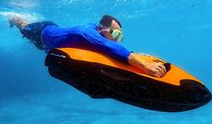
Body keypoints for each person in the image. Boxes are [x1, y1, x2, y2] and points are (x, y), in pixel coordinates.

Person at [9, 14, 167, 78]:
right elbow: (109, 46)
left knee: (37, 45)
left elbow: (106, 52)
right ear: (102, 29)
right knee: (23, 28)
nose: (117, 39)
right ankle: (16, 19)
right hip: (41, 31)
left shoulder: (98, 34)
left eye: (120, 36)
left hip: (49, 40)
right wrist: (145, 65)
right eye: (115, 34)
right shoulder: (87, 33)